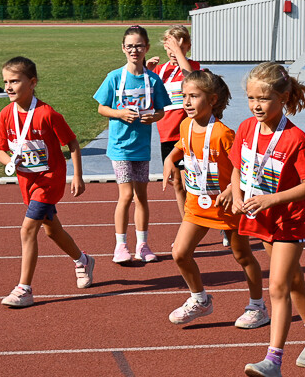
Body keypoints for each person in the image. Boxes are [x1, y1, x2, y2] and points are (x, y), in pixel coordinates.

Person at [232, 63, 305, 377]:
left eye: (263, 99)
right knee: (294, 281)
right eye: (251, 98)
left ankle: (273, 361)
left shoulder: (295, 138)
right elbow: (237, 168)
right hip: (262, 219)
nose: (256, 105)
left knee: (277, 286)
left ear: (283, 98)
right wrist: (235, 194)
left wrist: (271, 200)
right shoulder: (246, 128)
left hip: (289, 220)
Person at [162, 69, 269, 330]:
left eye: (194, 96)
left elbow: (245, 166)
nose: (187, 102)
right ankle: (200, 300)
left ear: (212, 100)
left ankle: (257, 306)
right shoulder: (185, 125)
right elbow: (181, 145)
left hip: (227, 207)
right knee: (180, 253)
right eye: (184, 96)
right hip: (197, 204)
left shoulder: (224, 134)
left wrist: (232, 190)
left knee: (242, 256)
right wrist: (170, 159)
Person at [0, 56, 94, 308]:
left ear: (32, 83)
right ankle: (83, 260)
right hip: (26, 182)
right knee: (52, 230)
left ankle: (24, 289)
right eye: (5, 82)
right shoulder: (6, 114)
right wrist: (9, 161)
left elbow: (72, 142)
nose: (8, 87)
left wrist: (78, 176)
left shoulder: (47, 114)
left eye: (15, 81)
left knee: (28, 230)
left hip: (49, 181)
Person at [94, 25, 172, 264]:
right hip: (120, 147)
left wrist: (153, 117)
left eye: (138, 46)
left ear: (146, 48)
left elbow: (161, 110)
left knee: (141, 196)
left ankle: (143, 245)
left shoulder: (153, 79)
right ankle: (120, 246)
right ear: (123, 48)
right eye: (129, 46)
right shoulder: (114, 77)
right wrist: (119, 114)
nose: (134, 50)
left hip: (141, 147)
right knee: (126, 195)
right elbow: (101, 108)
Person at [148, 24, 200, 217]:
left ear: (188, 47)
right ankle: (186, 221)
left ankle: (205, 219)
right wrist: (147, 72)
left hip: (188, 134)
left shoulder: (193, 66)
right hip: (167, 135)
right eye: (170, 47)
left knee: (192, 182)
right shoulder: (160, 70)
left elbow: (192, 79)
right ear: (164, 46)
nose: (174, 52)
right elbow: (146, 96)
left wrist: (179, 53)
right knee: (177, 183)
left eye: (180, 47)